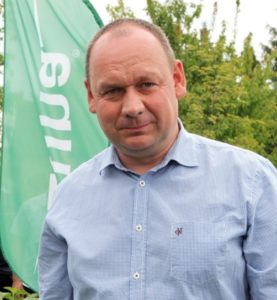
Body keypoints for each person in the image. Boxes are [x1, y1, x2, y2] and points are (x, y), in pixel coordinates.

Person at [38, 19, 277, 299]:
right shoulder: (68, 199)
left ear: (177, 80)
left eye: (146, 84)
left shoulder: (251, 183)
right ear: (91, 96)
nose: (132, 107)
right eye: (113, 90)